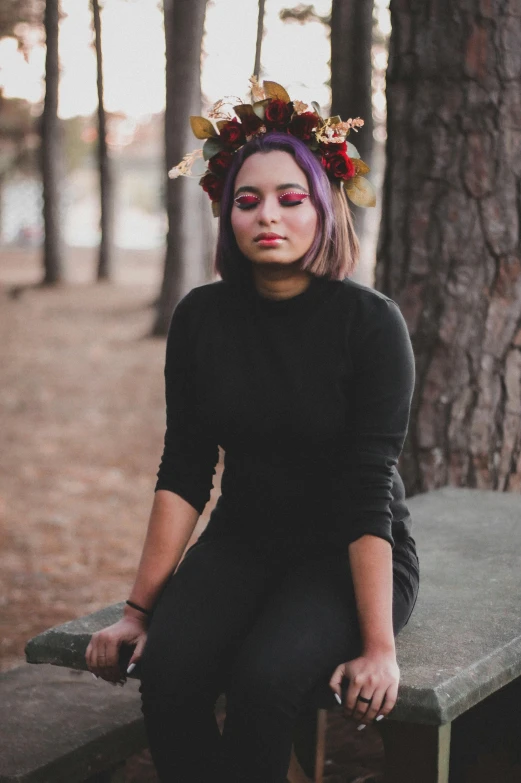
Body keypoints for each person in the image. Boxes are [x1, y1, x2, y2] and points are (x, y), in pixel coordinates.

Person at [86, 80, 419, 783]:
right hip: (242, 540)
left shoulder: (371, 325)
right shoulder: (201, 318)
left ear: (323, 207)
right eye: (247, 199)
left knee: (265, 682)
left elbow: (367, 495)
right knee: (169, 674)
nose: (267, 214)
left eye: (290, 198)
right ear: (228, 215)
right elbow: (184, 468)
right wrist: (136, 612)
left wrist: (378, 647)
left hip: (343, 551)